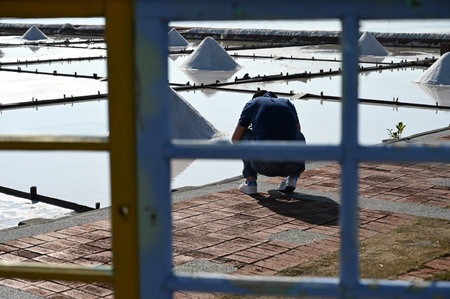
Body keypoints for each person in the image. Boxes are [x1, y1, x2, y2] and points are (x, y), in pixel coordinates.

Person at [231, 90, 306, 195]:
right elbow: (298, 129)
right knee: (298, 135)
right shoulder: (287, 103)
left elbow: (235, 139)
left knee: (243, 135)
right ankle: (292, 178)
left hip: (263, 165)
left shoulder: (252, 103)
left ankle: (250, 181)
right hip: (292, 166)